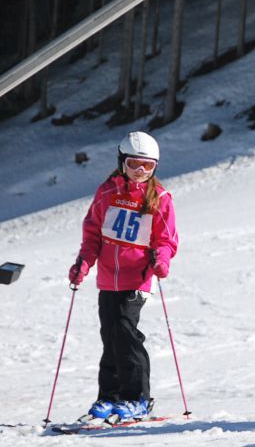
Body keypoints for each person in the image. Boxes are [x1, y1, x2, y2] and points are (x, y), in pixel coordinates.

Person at [68, 131, 178, 423]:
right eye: (133, 164)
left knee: (125, 333)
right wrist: (84, 263)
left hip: (137, 277)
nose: (140, 172)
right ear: (121, 162)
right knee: (110, 336)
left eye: (147, 167)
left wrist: (161, 260)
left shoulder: (160, 198)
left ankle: (137, 397)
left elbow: (166, 240)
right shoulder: (107, 192)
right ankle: (110, 396)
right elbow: (92, 233)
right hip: (108, 277)